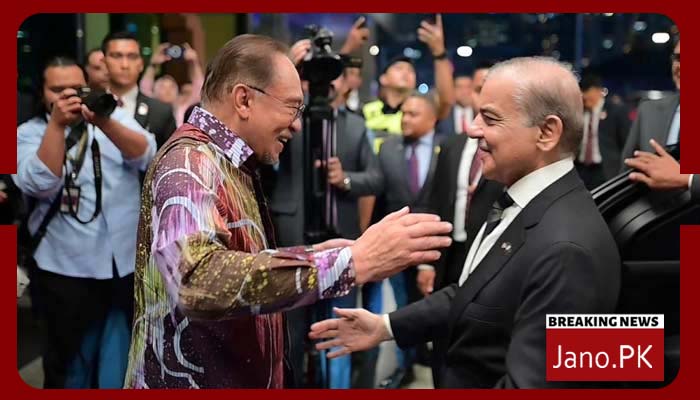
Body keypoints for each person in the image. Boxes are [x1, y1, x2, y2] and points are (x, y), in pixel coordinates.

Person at [123, 34, 452, 389]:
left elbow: (234, 260)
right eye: (292, 108)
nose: (297, 124)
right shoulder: (190, 164)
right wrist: (350, 263)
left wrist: (312, 255)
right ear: (244, 99)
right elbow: (198, 280)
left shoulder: (226, 161)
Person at [309, 57, 621, 388]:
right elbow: (475, 293)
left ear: (547, 132)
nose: (472, 129)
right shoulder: (525, 204)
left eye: (490, 118)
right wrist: (384, 326)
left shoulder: (568, 251)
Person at [14, 56, 156, 388]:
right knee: (67, 363)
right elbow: (40, 182)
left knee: (118, 357)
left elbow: (146, 154)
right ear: (42, 93)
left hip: (121, 263)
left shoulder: (112, 118)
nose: (69, 96)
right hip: (64, 267)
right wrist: (57, 126)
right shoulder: (28, 133)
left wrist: (104, 122)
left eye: (76, 89)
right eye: (58, 90)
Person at [622, 39, 696, 201]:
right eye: (678, 58)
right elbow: (625, 177)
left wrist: (688, 179)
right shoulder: (648, 111)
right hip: (651, 214)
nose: (680, 66)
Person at [102, 31, 177, 148]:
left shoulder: (160, 112)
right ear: (104, 62)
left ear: (141, 64)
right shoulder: (89, 109)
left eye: (132, 57)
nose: (125, 65)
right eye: (117, 56)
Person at [575, 74, 630, 189]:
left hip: (605, 170)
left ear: (597, 90)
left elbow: (626, 142)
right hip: (582, 170)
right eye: (581, 91)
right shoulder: (579, 112)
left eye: (586, 91)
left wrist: (624, 170)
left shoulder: (616, 110)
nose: (583, 96)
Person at [139, 42, 205, 127]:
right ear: (154, 92)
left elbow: (200, 89)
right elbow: (144, 89)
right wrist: (153, 65)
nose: (168, 90)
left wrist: (194, 63)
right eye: (162, 86)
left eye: (172, 87)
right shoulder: (150, 108)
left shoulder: (183, 109)